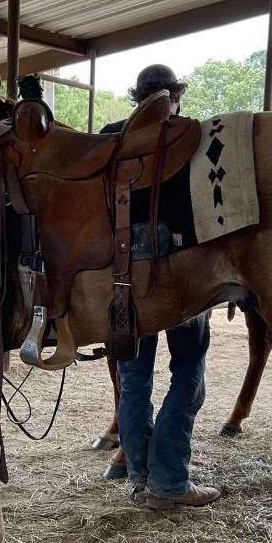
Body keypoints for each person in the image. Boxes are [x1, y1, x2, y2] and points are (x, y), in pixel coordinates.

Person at [101, 64, 220, 510]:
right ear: (173, 97)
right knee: (189, 369)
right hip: (178, 274)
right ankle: (169, 481)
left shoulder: (111, 136)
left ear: (138, 97)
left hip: (121, 275)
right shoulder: (188, 134)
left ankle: (139, 475)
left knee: (134, 382)